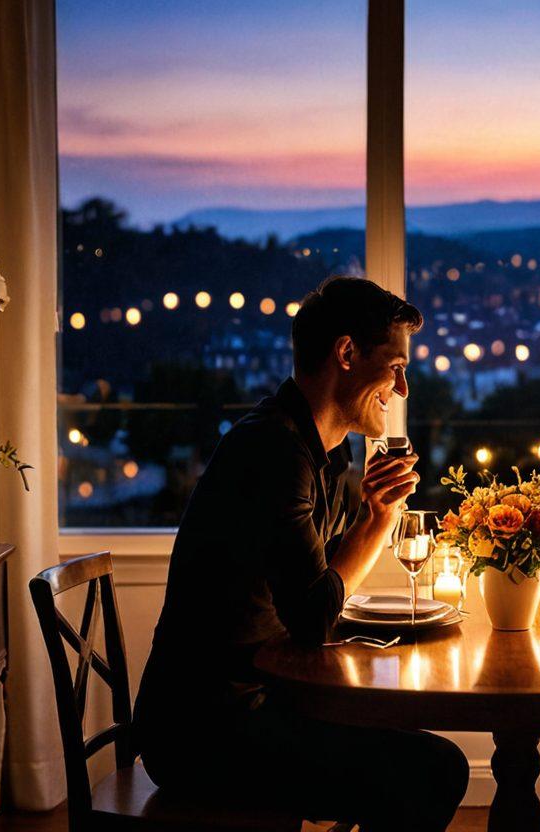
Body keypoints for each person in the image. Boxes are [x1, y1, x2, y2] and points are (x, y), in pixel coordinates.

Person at [133, 276, 469, 831]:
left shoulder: (319, 452)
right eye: (395, 366)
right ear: (346, 353)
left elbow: (316, 580)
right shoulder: (272, 450)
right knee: (434, 770)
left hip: (256, 703)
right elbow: (314, 614)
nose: (403, 387)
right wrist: (379, 518)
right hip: (205, 731)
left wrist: (369, 512)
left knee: (416, 759)